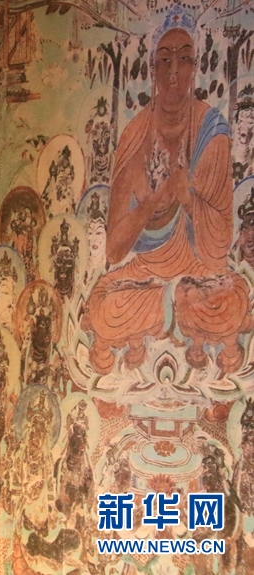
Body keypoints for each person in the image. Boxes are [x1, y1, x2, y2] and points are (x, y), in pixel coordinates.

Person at [84, 9, 252, 374]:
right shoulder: (135, 135)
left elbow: (218, 248)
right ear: (152, 68)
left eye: (184, 59)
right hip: (146, 275)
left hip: (199, 275)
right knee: (102, 306)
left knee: (231, 299)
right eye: (164, 60)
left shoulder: (212, 130)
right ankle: (177, 311)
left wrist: (186, 196)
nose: (173, 71)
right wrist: (148, 206)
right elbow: (114, 251)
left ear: (196, 66)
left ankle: (166, 313)